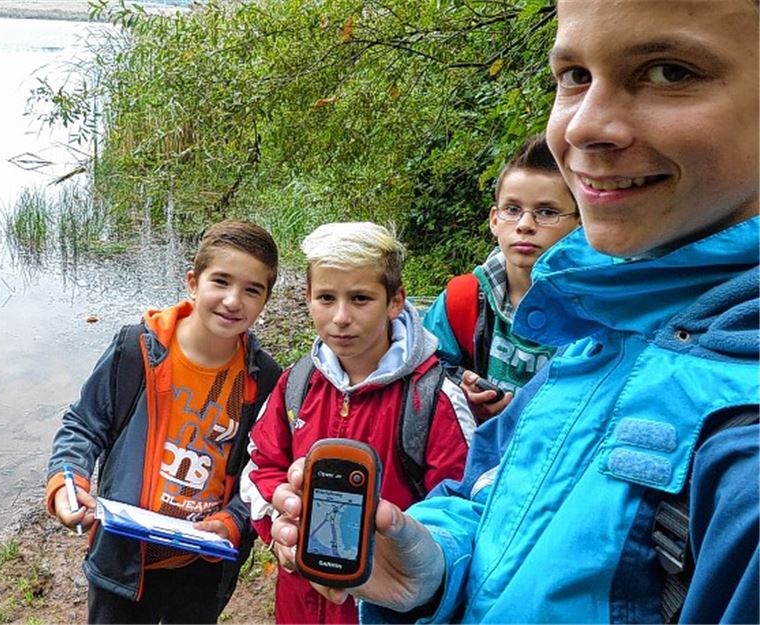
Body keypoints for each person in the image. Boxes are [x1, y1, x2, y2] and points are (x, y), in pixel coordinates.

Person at [268, 0, 759, 622]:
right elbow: (489, 496)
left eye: (669, 72)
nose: (582, 128)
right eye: (574, 76)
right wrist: (435, 569)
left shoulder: (744, 457)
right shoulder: (604, 328)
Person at [45, 219, 282, 624]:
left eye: (251, 290)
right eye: (220, 281)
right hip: (121, 560)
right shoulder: (136, 350)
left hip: (201, 567)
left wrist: (234, 522)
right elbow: (84, 425)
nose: (232, 300)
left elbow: (260, 473)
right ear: (193, 282)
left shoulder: (264, 379)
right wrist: (68, 482)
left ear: (265, 301)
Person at [240, 222, 476, 624]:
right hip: (298, 603)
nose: (341, 317)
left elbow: (460, 511)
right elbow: (262, 464)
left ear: (395, 301)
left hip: (386, 611)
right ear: (308, 299)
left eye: (361, 298)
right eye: (326, 298)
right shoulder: (296, 384)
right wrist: (280, 523)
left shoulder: (433, 398)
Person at [422, 134, 579, 421]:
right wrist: (462, 391)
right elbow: (425, 370)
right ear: (494, 220)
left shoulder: (597, 309)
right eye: (512, 210)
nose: (525, 225)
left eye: (547, 212)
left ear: (580, 223)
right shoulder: (463, 298)